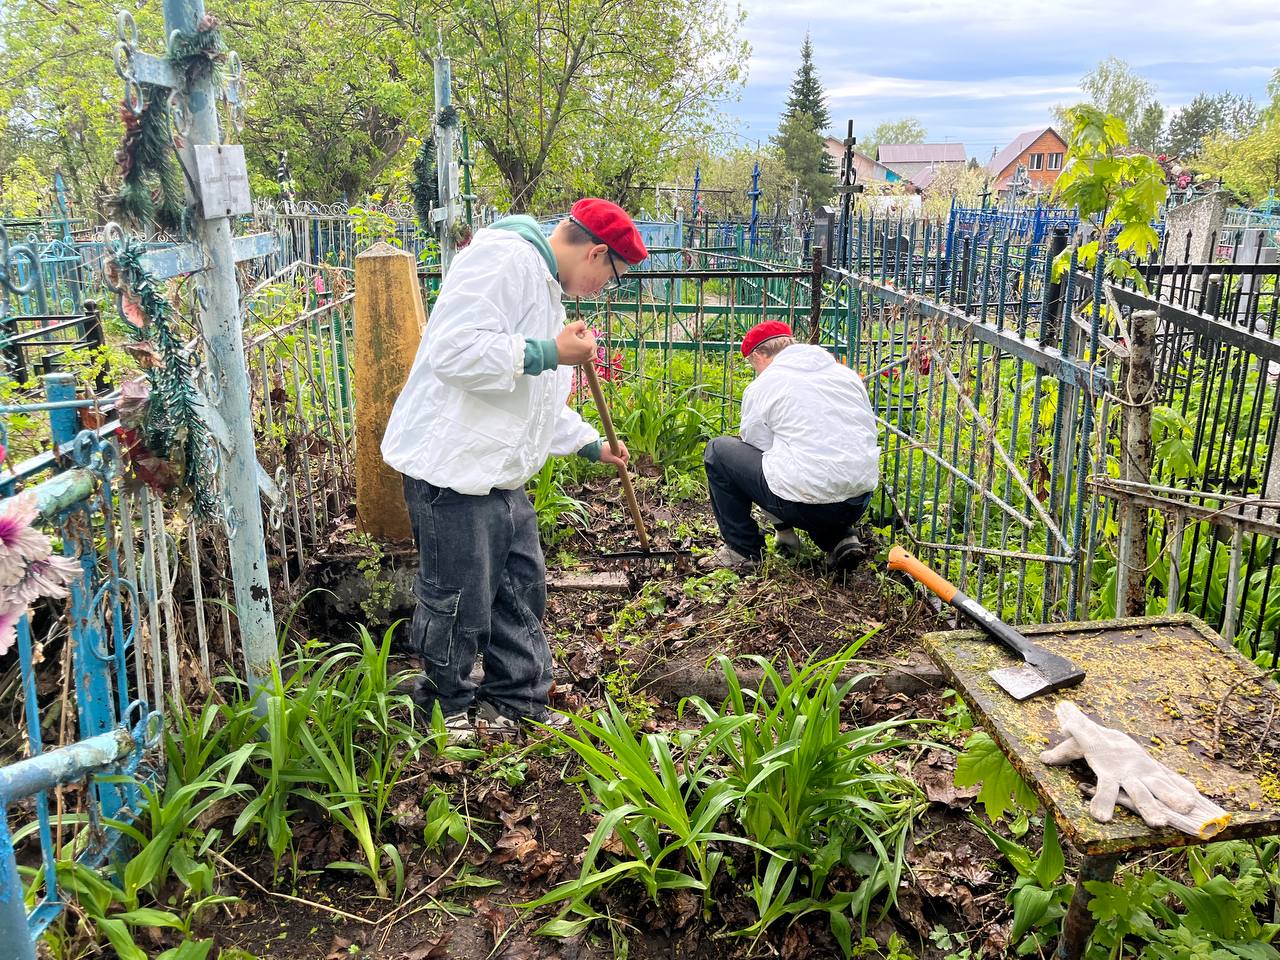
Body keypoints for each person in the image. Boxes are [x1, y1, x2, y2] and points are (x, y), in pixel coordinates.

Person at [381, 198, 647, 738]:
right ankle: (445, 706)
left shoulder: (546, 288)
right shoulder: (502, 259)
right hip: (453, 469)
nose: (604, 288)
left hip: (500, 472)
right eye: (613, 276)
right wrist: (548, 351)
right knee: (457, 599)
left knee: (521, 587)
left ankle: (517, 700)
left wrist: (590, 444)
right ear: (596, 253)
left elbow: (536, 400)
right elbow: (454, 352)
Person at [701, 321, 879, 572]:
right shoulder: (845, 375)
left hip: (804, 505)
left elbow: (760, 451)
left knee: (718, 451)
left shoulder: (765, 385)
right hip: (858, 500)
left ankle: (742, 550)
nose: (756, 371)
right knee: (819, 468)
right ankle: (840, 538)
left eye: (753, 365)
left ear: (758, 355)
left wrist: (782, 528)